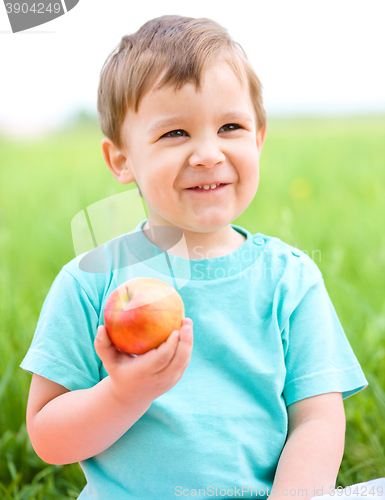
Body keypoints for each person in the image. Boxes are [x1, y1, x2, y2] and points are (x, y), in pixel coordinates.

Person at [20, 14, 383, 500]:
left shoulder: (290, 277)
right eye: (175, 133)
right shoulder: (91, 280)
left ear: (258, 138)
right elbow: (47, 438)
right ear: (121, 159)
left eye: (230, 126)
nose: (208, 154)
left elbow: (317, 419)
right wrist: (126, 393)